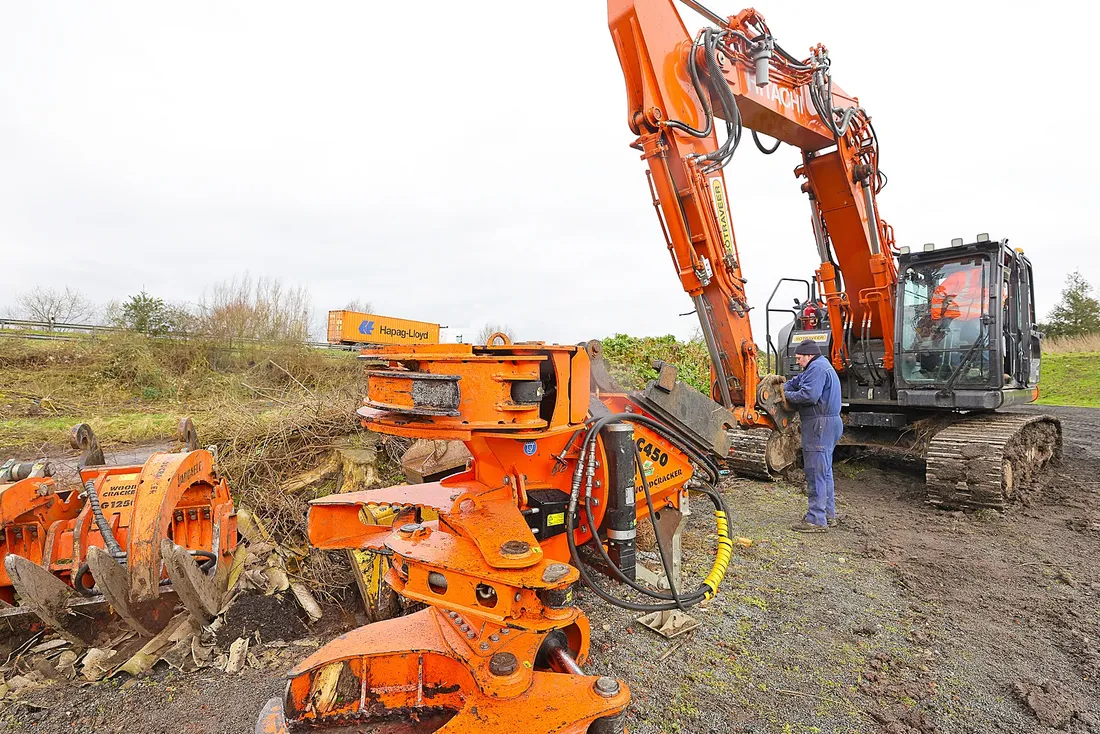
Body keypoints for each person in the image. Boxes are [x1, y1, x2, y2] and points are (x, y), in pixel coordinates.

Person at [781, 339, 843, 533]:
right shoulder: (818, 366)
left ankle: (816, 519)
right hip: (829, 423)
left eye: (799, 358)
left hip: (819, 425)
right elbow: (795, 383)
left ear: (809, 355)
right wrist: (781, 387)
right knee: (825, 471)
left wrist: (783, 397)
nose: (797, 361)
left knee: (815, 471)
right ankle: (827, 514)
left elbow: (809, 395)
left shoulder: (816, 369)